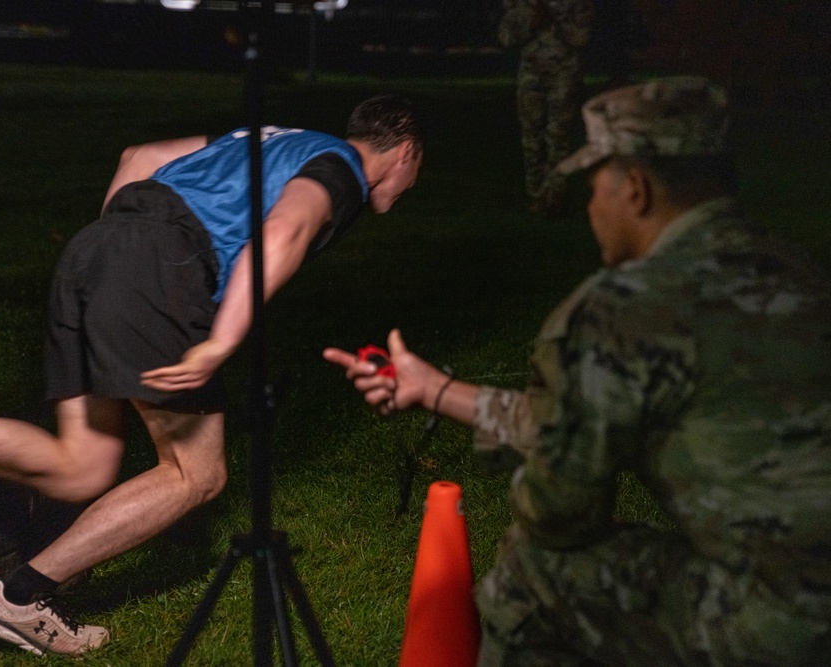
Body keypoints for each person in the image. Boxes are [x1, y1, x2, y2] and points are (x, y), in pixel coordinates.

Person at [0, 94, 424, 656]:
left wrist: (114, 254)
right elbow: (283, 233)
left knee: (81, 467)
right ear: (403, 152)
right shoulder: (343, 170)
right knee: (197, 475)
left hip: (92, 252)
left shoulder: (277, 138)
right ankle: (19, 597)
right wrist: (220, 338)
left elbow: (138, 158)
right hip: (157, 268)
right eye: (414, 173)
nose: (410, 186)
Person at [325, 77, 831, 665]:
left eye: (594, 187)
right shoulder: (798, 275)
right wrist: (435, 390)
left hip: (787, 622)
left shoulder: (628, 307)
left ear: (635, 190)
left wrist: (545, 475)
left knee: (535, 568)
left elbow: (561, 511)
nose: (591, 208)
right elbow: (585, 413)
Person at [498, 0, 593, 216]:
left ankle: (554, 198)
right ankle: (536, 193)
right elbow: (506, 37)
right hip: (531, 76)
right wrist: (533, 22)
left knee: (558, 137)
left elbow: (582, 37)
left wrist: (556, 21)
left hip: (564, 74)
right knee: (532, 138)